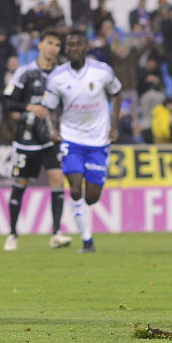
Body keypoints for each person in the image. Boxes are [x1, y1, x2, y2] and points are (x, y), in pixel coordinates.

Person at [42, 30, 122, 253]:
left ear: (86, 47)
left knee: (91, 197)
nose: (74, 48)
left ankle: (86, 230)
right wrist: (53, 130)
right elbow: (49, 107)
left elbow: (117, 94)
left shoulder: (102, 71)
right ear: (66, 50)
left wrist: (114, 126)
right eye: (70, 45)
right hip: (72, 139)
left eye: (78, 44)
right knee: (75, 189)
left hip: (98, 140)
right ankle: (87, 240)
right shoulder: (57, 77)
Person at [2, 29, 72, 251]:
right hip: (26, 139)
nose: (53, 48)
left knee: (58, 180)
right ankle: (12, 234)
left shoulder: (62, 75)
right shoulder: (25, 73)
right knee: (20, 186)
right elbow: (8, 103)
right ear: (39, 45)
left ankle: (56, 233)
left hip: (51, 140)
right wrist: (29, 107)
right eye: (49, 43)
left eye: (57, 45)